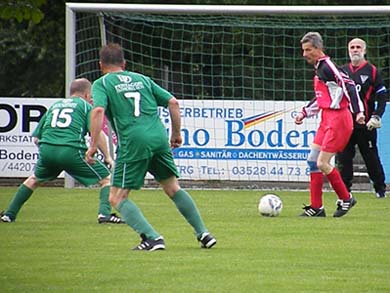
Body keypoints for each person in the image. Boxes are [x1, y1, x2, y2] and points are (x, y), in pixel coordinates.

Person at [85, 43, 216, 251]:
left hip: (133, 141)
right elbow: (173, 102)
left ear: (100, 65)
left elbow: (98, 110)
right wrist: (175, 133)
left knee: (116, 197)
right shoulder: (142, 79)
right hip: (158, 137)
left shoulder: (102, 83)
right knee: (173, 187)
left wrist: (93, 146)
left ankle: (152, 238)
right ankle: (204, 233)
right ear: (124, 63)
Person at [0, 78, 124, 224]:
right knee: (107, 179)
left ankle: (9, 214)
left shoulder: (55, 106)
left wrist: (51, 151)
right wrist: (108, 156)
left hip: (47, 150)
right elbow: (97, 133)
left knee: (34, 180)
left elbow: (36, 138)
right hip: (71, 151)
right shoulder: (85, 106)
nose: (91, 98)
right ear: (86, 94)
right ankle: (105, 214)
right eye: (90, 96)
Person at [295, 32, 366, 217]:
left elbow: (348, 85)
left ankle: (346, 198)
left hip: (339, 119)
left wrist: (359, 111)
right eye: (303, 50)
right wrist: (304, 112)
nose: (304, 54)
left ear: (318, 49)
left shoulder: (328, 66)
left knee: (322, 162)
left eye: (308, 50)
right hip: (326, 118)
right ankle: (317, 207)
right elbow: (322, 97)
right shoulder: (319, 67)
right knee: (312, 161)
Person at [336, 38, 387, 199]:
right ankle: (345, 192)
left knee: (371, 157)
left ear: (364, 50)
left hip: (366, 125)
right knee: (344, 157)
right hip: (346, 123)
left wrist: (377, 116)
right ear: (348, 50)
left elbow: (382, 97)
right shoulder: (342, 71)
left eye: (358, 47)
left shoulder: (372, 71)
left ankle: (380, 189)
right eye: (352, 47)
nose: (355, 50)